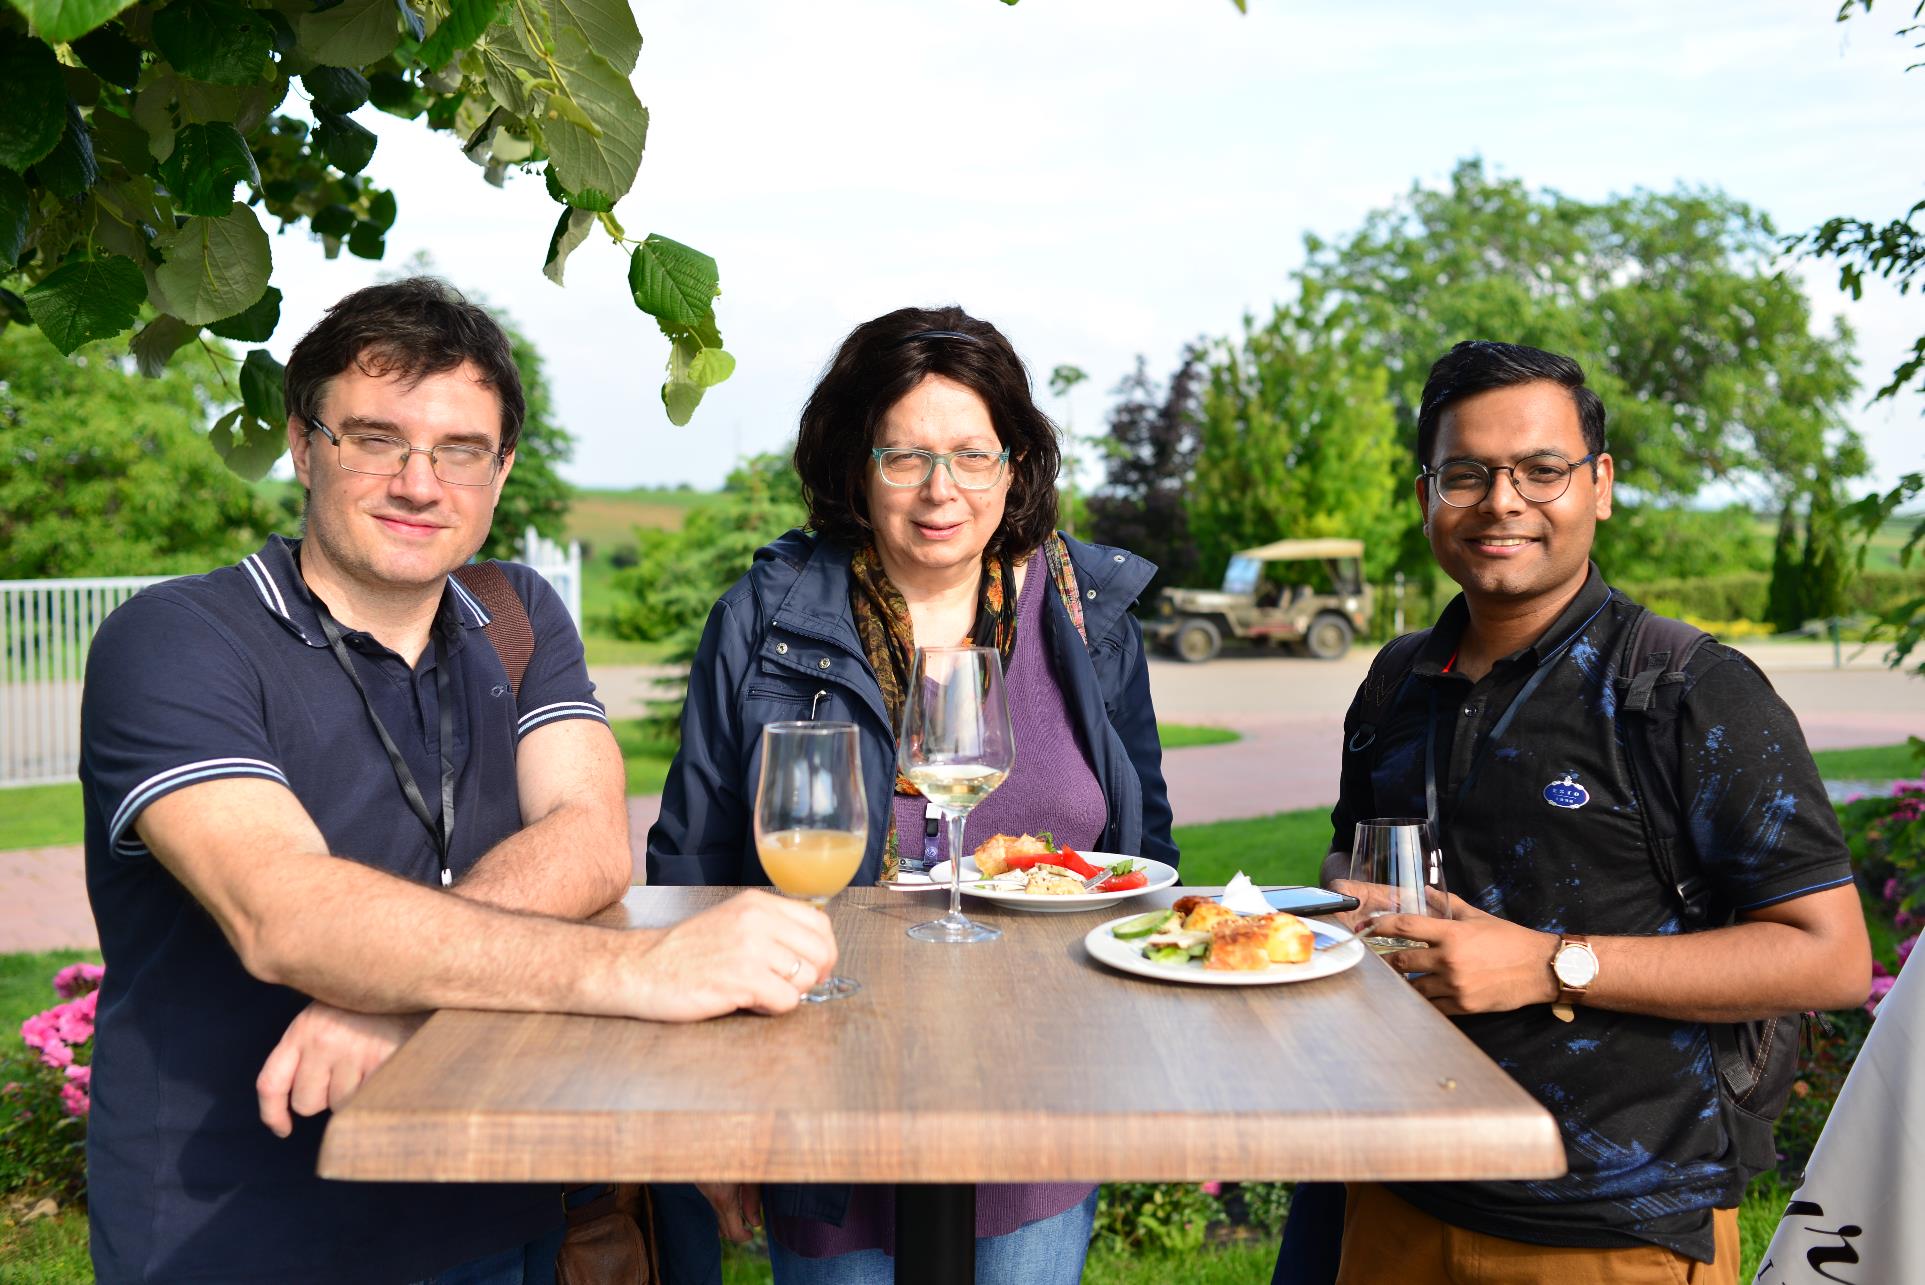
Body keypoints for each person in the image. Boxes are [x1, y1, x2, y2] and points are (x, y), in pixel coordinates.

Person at [78, 278, 839, 1285]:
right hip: (243, 1225)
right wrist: (642, 973)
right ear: (305, 447)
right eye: (375, 438)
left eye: (459, 450)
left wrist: (393, 992)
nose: (418, 482)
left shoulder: (513, 611)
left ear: (501, 469)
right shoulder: (178, 638)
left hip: (495, 1203)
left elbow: (587, 837)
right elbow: (286, 916)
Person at [1276, 340, 1871, 1285]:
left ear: (1597, 484)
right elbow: (1348, 866)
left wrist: (1549, 963)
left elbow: (1829, 955)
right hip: (1392, 1193)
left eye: (1539, 470)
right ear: (1425, 490)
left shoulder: (1688, 690)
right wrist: (1345, 904)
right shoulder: (1396, 680)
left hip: (1607, 1227)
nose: (1501, 501)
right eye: (1464, 473)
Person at [646, 304, 1177, 1283]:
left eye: (971, 455)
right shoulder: (762, 619)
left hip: (1044, 1088)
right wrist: (708, 1107)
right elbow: (687, 873)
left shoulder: (1083, 615)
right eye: (906, 457)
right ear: (856, 464)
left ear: (1013, 464)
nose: (941, 490)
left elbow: (1146, 852)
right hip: (819, 1083)